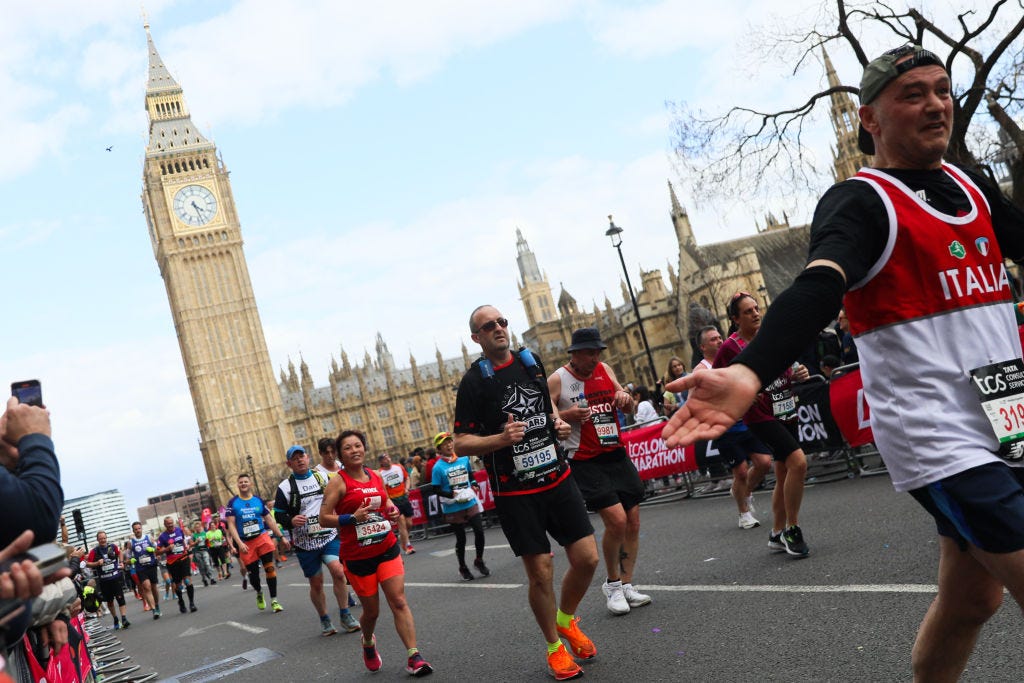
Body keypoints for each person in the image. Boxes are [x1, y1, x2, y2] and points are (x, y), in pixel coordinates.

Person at [661, 44, 1024, 681]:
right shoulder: (860, 201)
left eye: (942, 89)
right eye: (912, 94)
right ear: (869, 119)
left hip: (1007, 418)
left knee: (973, 599)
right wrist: (750, 370)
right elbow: (817, 285)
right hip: (941, 435)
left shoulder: (972, 186)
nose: (936, 103)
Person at [454, 305, 598, 681]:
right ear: (477, 338)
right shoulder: (473, 383)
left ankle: (565, 619)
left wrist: (557, 421)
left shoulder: (530, 362)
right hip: (515, 492)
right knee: (540, 572)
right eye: (489, 326)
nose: (499, 328)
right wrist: (500, 439)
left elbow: (545, 404)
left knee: (587, 558)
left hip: (556, 476)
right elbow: (461, 442)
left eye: (502, 322)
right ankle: (554, 647)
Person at [548, 327, 651, 617]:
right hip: (585, 459)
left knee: (633, 521)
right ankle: (613, 584)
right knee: (616, 521)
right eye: (590, 352)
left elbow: (626, 401)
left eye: (598, 352)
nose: (595, 358)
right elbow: (546, 412)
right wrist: (565, 417)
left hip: (615, 452)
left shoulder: (604, 368)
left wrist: (624, 397)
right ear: (575, 353)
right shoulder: (558, 379)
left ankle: (628, 584)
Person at [320, 430, 433, 677]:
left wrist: (392, 510)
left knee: (399, 601)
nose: (354, 450)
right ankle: (368, 641)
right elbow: (324, 518)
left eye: (358, 445)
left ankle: (414, 656)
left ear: (365, 448)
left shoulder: (375, 475)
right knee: (372, 612)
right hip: (358, 557)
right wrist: (351, 518)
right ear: (341, 454)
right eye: (348, 448)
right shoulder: (338, 482)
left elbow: (386, 503)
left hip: (386, 547)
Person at [714, 292, 812, 555]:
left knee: (783, 473)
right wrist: (741, 394)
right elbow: (718, 383)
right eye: (748, 311)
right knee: (799, 463)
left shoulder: (771, 333)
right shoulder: (730, 348)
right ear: (735, 319)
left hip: (786, 406)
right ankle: (792, 529)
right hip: (760, 415)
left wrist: (798, 373)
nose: (756, 313)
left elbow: (787, 366)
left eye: (757, 308)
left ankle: (776, 532)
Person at [273, 444, 360, 636]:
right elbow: (278, 515)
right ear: (289, 463)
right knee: (316, 582)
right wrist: (290, 520)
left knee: (338, 572)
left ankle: (345, 614)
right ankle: (325, 619)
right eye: (294, 458)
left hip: (328, 535)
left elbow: (341, 496)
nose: (299, 460)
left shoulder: (323, 477)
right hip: (305, 543)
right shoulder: (285, 488)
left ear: (308, 457)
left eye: (301, 456)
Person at [693, 324, 771, 529]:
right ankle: (744, 514)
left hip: (746, 421)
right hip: (725, 427)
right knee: (741, 471)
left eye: (719, 337)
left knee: (764, 463)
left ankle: (741, 492)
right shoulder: (701, 371)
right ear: (702, 346)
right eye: (713, 339)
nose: (719, 341)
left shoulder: (732, 360)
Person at [226, 473, 290, 613]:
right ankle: (259, 592)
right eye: (241, 482)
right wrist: (239, 543)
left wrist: (281, 537)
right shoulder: (232, 503)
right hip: (245, 542)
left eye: (245, 482)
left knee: (270, 569)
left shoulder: (258, 500)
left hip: (261, 537)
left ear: (250, 484)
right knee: (253, 575)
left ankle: (274, 601)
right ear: (238, 485)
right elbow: (231, 526)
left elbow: (269, 520)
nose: (243, 484)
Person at [430, 432, 489, 581]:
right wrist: (451, 494)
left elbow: (470, 475)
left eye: (450, 442)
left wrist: (474, 484)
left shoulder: (463, 459)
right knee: (461, 539)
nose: (449, 445)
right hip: (453, 507)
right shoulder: (437, 468)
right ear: (439, 449)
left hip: (469, 501)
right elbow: (435, 489)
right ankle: (463, 566)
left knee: (479, 531)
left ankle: (479, 560)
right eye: (445, 444)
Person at [85, 531, 130, 629]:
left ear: (106, 538)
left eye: (104, 538)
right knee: (110, 601)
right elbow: (87, 564)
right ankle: (115, 618)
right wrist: (97, 563)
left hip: (115, 578)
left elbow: (120, 552)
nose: (103, 540)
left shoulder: (113, 547)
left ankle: (124, 618)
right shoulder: (94, 551)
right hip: (104, 581)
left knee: (120, 598)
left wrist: (121, 562)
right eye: (100, 538)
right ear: (97, 540)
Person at [156, 516, 197, 614]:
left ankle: (192, 603)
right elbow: (157, 552)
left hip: (183, 558)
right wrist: (166, 549)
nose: (170, 525)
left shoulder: (179, 530)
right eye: (168, 523)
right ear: (165, 525)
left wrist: (185, 547)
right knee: (178, 585)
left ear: (173, 523)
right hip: (172, 562)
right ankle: (181, 601)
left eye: (171, 523)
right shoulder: (162, 537)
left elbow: (182, 541)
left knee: (187, 580)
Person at [377, 452, 416, 555]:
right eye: (385, 459)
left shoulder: (398, 467)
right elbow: (381, 489)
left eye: (388, 457)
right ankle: (408, 546)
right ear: (381, 462)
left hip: (403, 498)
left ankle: (403, 537)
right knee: (402, 522)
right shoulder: (379, 473)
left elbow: (406, 478)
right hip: (393, 501)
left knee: (409, 523)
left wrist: (407, 488)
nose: (388, 460)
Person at [126, 522, 161, 619]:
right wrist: (130, 560)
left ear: (141, 529)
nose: (137, 530)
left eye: (139, 528)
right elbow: (128, 557)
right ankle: (154, 610)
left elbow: (157, 548)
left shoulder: (149, 537)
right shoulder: (131, 542)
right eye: (135, 529)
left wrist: (153, 550)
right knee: (146, 587)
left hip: (151, 565)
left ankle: (157, 604)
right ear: (133, 531)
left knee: (154, 587)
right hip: (140, 568)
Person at [190, 520, 217, 587]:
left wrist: (209, 540)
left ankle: (211, 578)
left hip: (205, 550)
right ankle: (204, 579)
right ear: (194, 528)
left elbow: (207, 541)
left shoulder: (204, 533)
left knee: (207, 564)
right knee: (201, 567)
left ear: (201, 527)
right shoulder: (193, 535)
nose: (198, 528)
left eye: (199, 527)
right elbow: (191, 544)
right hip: (197, 552)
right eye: (196, 527)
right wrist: (196, 542)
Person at [205, 515, 231, 581]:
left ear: (215, 526)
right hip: (212, 548)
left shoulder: (219, 531)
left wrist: (220, 538)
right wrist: (211, 539)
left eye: (213, 525)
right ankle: (219, 572)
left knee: (223, 559)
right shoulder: (207, 533)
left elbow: (221, 537)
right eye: (211, 526)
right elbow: (207, 542)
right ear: (210, 527)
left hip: (220, 546)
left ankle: (225, 572)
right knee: (216, 562)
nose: (213, 526)